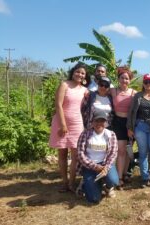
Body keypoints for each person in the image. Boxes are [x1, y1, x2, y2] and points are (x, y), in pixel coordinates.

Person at [49, 62, 90, 193]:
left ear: (85, 76)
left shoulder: (85, 90)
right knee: (62, 153)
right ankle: (64, 183)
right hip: (61, 123)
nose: (80, 74)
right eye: (78, 71)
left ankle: (72, 183)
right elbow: (58, 105)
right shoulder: (64, 85)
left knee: (75, 155)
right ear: (73, 72)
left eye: (82, 73)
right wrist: (63, 124)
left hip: (77, 124)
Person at [77, 111, 118, 203]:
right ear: (92, 122)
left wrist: (105, 168)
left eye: (102, 121)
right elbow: (80, 154)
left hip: (104, 165)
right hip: (90, 166)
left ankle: (107, 187)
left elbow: (113, 153)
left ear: (106, 123)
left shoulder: (111, 134)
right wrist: (95, 167)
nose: (99, 123)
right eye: (96, 121)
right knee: (94, 199)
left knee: (114, 181)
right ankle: (85, 183)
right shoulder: (85, 134)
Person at [110, 67, 137, 187]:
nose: (124, 80)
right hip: (118, 122)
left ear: (130, 80)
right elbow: (99, 91)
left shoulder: (133, 93)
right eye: (122, 78)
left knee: (128, 150)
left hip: (130, 123)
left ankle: (125, 173)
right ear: (118, 79)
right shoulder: (112, 91)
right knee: (120, 150)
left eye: (127, 78)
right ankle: (119, 177)